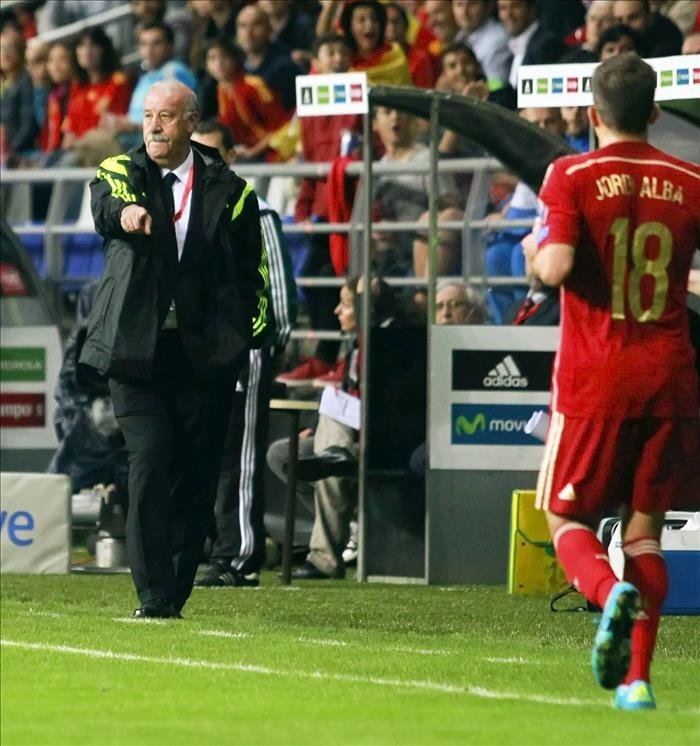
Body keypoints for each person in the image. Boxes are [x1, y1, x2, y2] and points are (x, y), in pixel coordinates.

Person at [528, 53, 700, 709]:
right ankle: (637, 683)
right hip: (671, 376)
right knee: (644, 532)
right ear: (654, 112)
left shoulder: (572, 174)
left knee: (565, 513)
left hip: (597, 376)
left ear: (592, 113)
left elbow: (559, 262)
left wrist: (533, 257)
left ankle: (606, 594)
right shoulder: (689, 178)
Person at [79, 80, 268, 618]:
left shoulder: (233, 191)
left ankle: (175, 590)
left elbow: (251, 275)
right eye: (148, 117)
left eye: (165, 117)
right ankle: (153, 591)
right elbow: (106, 206)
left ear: (190, 122)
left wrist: (240, 341)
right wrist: (129, 216)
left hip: (202, 355)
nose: (154, 127)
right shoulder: (123, 171)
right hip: (135, 354)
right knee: (150, 461)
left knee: (196, 474)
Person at [190, 120, 297, 588]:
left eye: (214, 154)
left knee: (243, 456)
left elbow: (278, 288)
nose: (206, 164)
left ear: (231, 156)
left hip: (245, 350)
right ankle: (214, 544)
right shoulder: (194, 210)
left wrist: (264, 342)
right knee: (209, 453)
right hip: (203, 352)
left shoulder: (257, 209)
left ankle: (242, 556)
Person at [279, 34, 361, 387]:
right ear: (319, 60)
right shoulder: (310, 108)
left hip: (354, 208)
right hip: (325, 211)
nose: (339, 57)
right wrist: (302, 207)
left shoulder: (359, 99)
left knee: (337, 280)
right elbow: (310, 160)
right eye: (331, 52)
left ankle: (340, 357)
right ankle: (327, 357)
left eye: (345, 52)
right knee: (313, 277)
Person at [101, 22, 197, 149]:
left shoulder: (174, 72)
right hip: (135, 139)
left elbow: (174, 122)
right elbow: (136, 116)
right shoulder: (146, 76)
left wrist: (132, 126)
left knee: (90, 145)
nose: (149, 50)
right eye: (144, 44)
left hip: (156, 143)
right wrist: (119, 122)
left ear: (170, 46)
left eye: (156, 43)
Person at [205, 39, 292, 163]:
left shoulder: (253, 85)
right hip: (244, 157)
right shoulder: (221, 89)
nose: (219, 64)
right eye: (212, 59)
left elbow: (281, 126)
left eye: (224, 57)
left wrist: (253, 151)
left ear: (235, 60)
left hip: (274, 156)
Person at [236, 4, 302, 112]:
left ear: (270, 30)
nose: (248, 33)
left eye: (256, 25)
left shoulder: (286, 67)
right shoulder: (235, 66)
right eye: (242, 26)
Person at [452, 0, 512, 90]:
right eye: (459, 4)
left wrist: (483, 88)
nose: (464, 12)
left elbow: (498, 84)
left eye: (472, 4)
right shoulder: (460, 36)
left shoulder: (496, 42)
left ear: (487, 7)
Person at [612, 0, 683, 57]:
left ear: (649, 17)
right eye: (619, 20)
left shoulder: (667, 40)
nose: (625, 25)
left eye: (633, 18)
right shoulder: (610, 39)